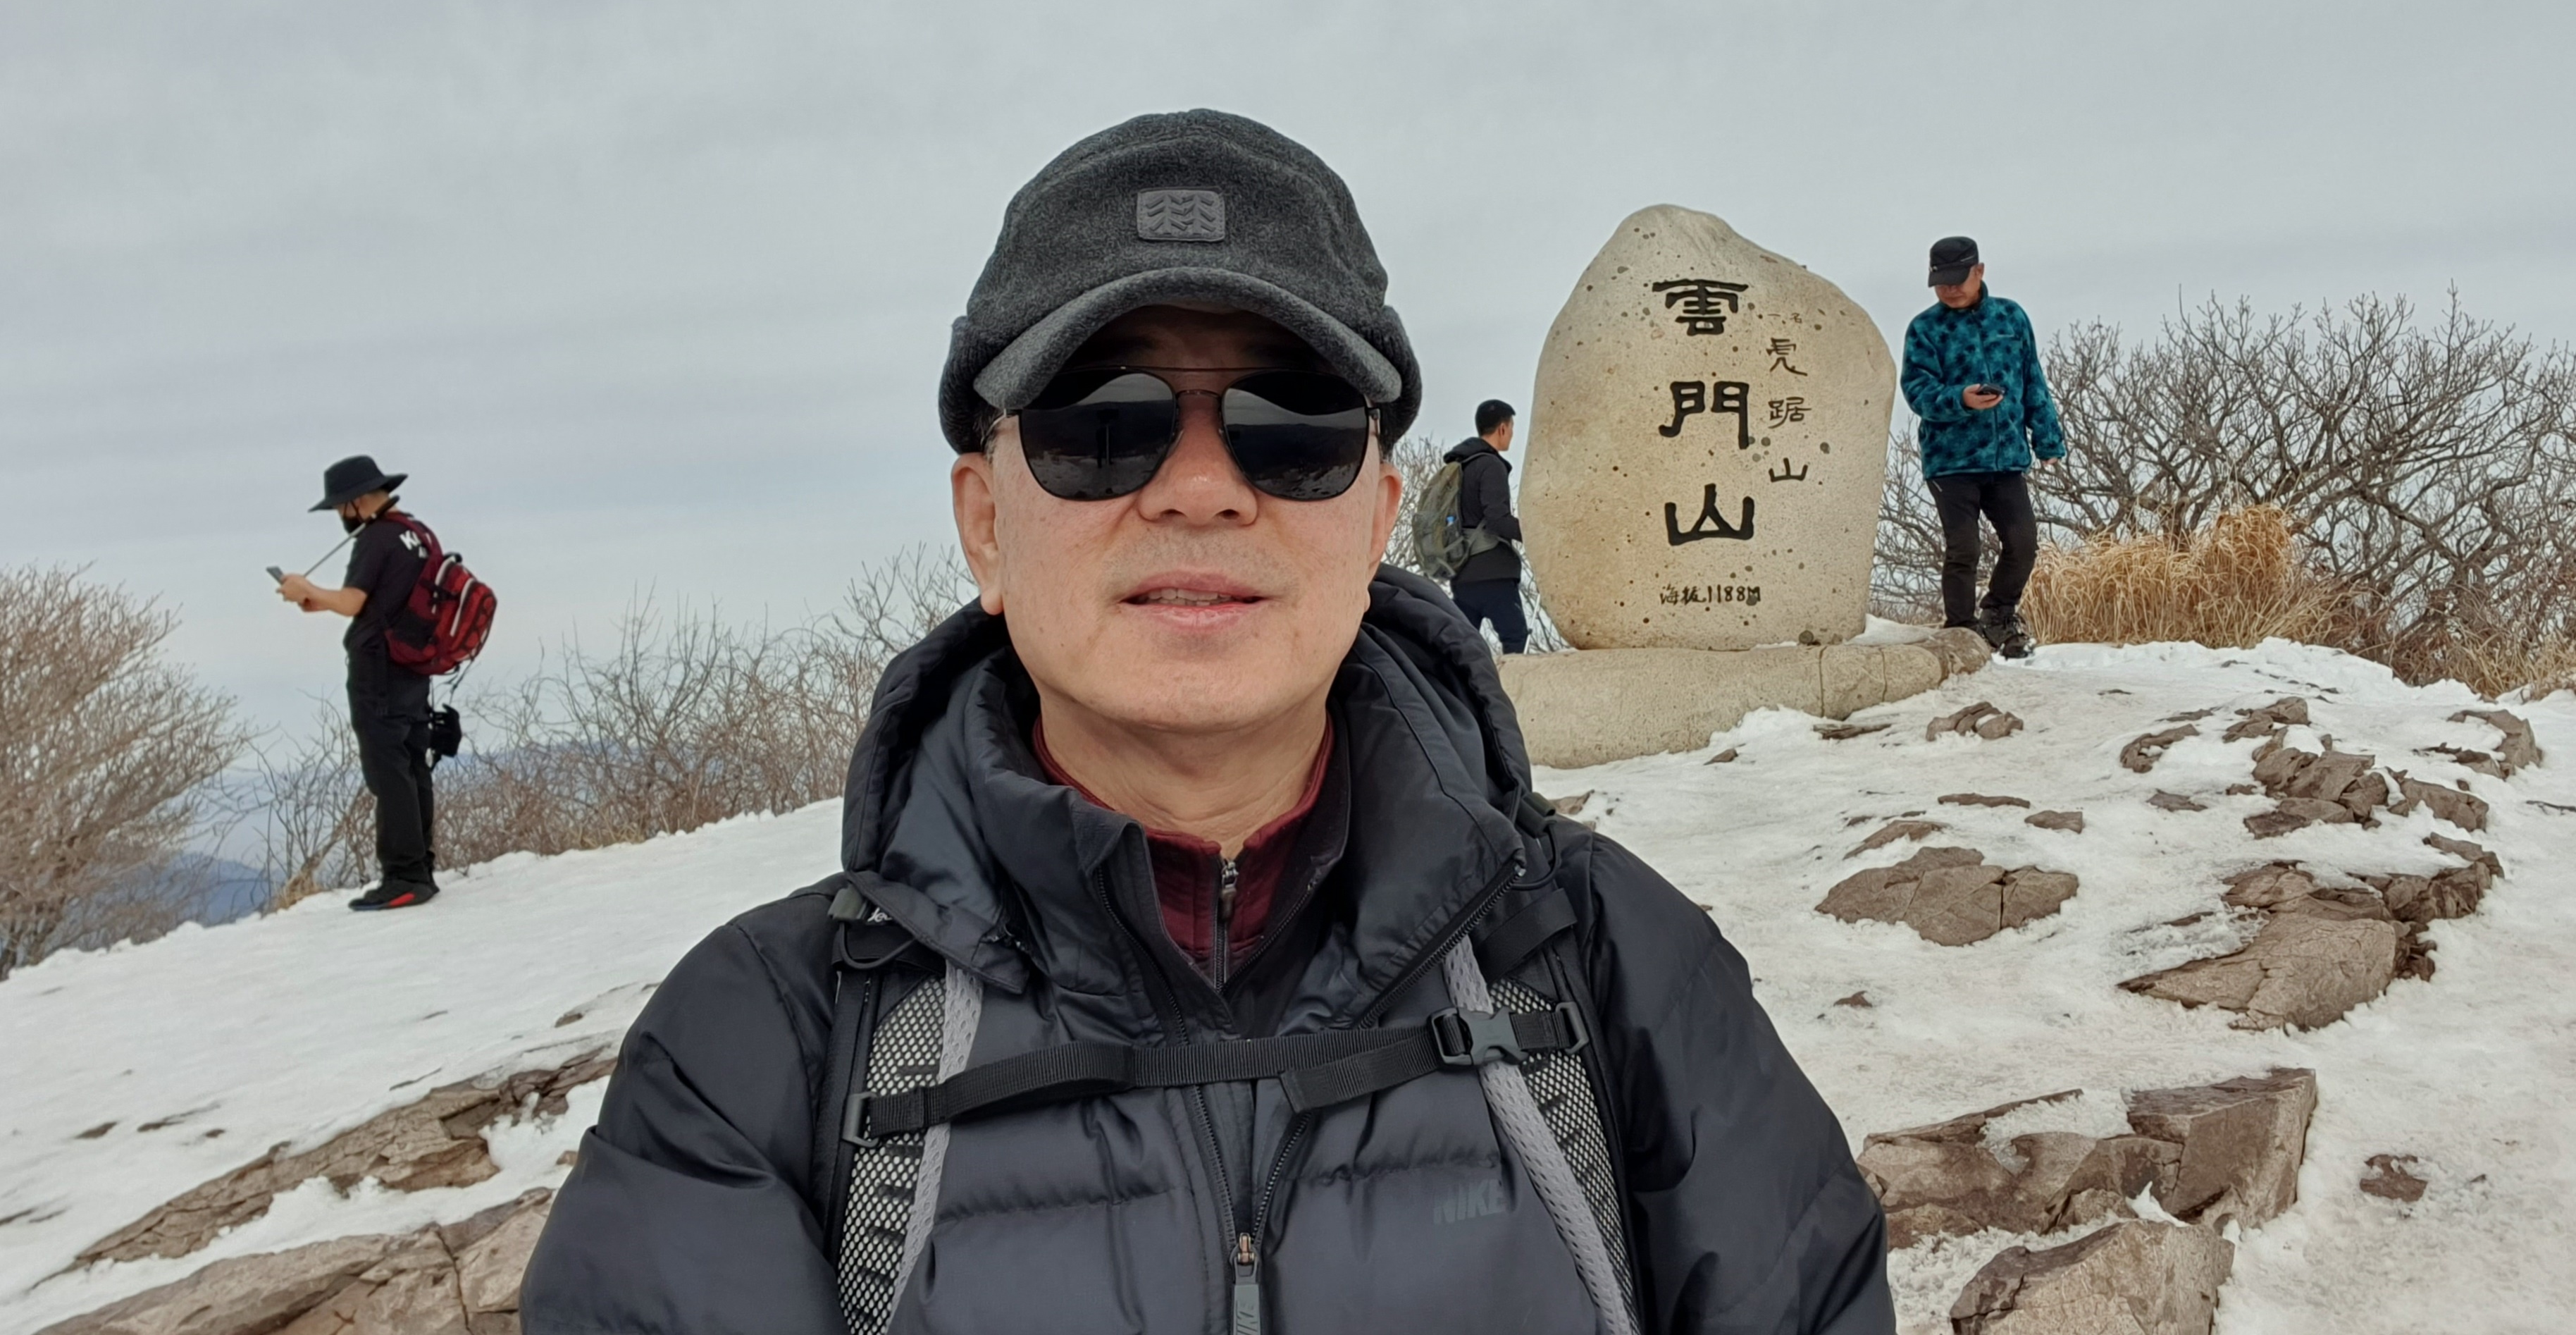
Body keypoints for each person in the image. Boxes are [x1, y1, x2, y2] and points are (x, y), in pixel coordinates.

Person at [524, 111, 1892, 1334]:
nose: (1199, 487)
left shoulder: (1615, 970)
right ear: (983, 524)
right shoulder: (756, 1053)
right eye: (1097, 423)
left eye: (1292, 424)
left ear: (1376, 516)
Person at [278, 455, 439, 910]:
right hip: (414, 665)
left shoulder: (376, 537)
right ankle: (421, 869)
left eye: (339, 507)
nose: (339, 516)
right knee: (412, 763)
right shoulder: (419, 534)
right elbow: (383, 601)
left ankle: (403, 876)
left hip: (379, 668)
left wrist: (306, 589)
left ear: (357, 501)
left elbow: (353, 602)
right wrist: (321, 601)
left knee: (387, 769)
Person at [1899, 236, 2067, 658]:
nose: (1950, 289)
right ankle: (1961, 630)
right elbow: (1917, 391)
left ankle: (1999, 614)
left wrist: (2047, 437)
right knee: (1964, 548)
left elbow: (2033, 380)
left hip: (2007, 457)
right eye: (1941, 282)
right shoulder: (1924, 329)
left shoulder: (2011, 317)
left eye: (1958, 279)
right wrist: (1960, 399)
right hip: (1950, 461)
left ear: (1980, 271)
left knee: (2023, 543)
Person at [1442, 398, 1530, 653]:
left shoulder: (1459, 466)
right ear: (1502, 428)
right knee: (1516, 640)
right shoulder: (1491, 465)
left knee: (1462, 650)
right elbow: (1497, 519)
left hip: (1461, 573)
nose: (1511, 434)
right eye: (1511, 428)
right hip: (1494, 573)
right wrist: (1535, 536)